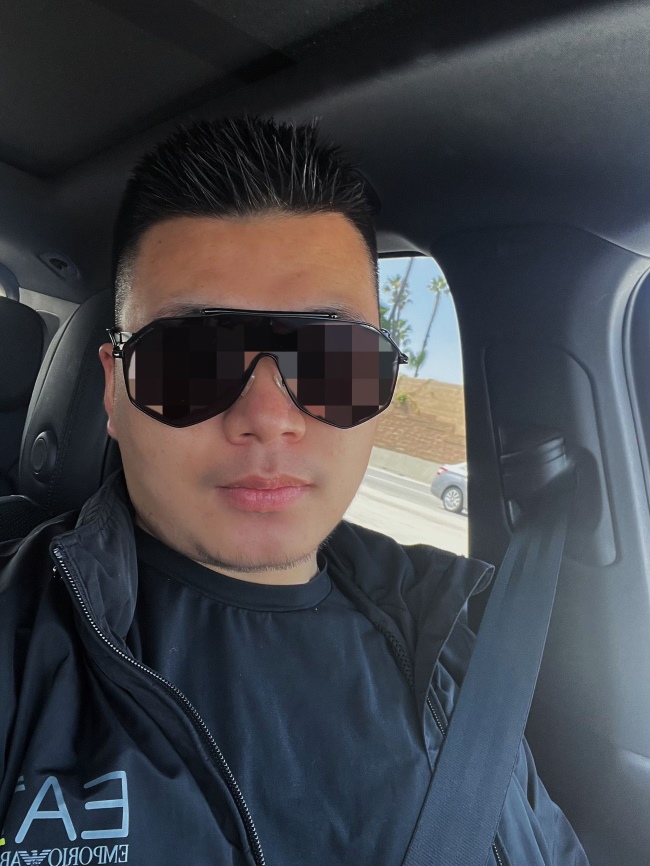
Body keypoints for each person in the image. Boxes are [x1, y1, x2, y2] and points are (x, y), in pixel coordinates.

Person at [0, 117, 588, 866]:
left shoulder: (454, 651)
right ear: (114, 390)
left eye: (333, 360)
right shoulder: (18, 655)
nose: (269, 417)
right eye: (191, 359)